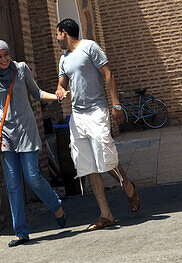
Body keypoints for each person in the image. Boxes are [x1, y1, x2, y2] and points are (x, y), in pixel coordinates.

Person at [55, 18, 140, 230]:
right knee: (87, 165)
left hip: (97, 110)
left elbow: (108, 74)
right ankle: (106, 214)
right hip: (77, 116)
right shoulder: (64, 59)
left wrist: (116, 106)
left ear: (64, 33)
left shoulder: (89, 47)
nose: (56, 39)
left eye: (57, 35)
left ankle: (127, 186)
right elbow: (62, 82)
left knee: (106, 156)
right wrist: (59, 90)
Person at [0, 39, 67, 247]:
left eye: (6, 55)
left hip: (26, 130)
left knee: (33, 177)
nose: (3, 60)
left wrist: (57, 97)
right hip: (5, 135)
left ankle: (55, 204)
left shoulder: (21, 69)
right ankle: (21, 232)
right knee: (12, 185)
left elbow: (36, 93)